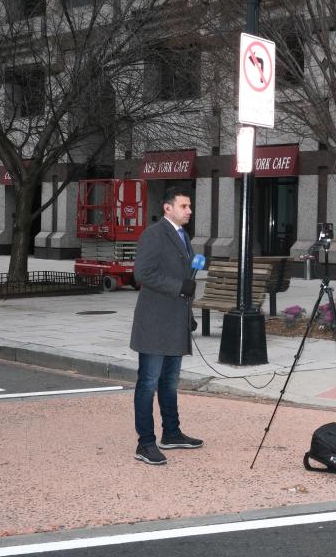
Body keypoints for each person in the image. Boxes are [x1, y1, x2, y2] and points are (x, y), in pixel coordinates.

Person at [130, 186, 203, 465]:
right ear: (167, 208)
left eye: (189, 206)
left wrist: (189, 312)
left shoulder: (183, 235)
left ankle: (171, 434)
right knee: (148, 383)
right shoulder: (154, 235)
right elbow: (142, 274)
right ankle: (145, 443)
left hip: (176, 321)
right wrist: (178, 287)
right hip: (155, 323)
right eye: (184, 206)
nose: (189, 211)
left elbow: (187, 278)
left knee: (169, 383)